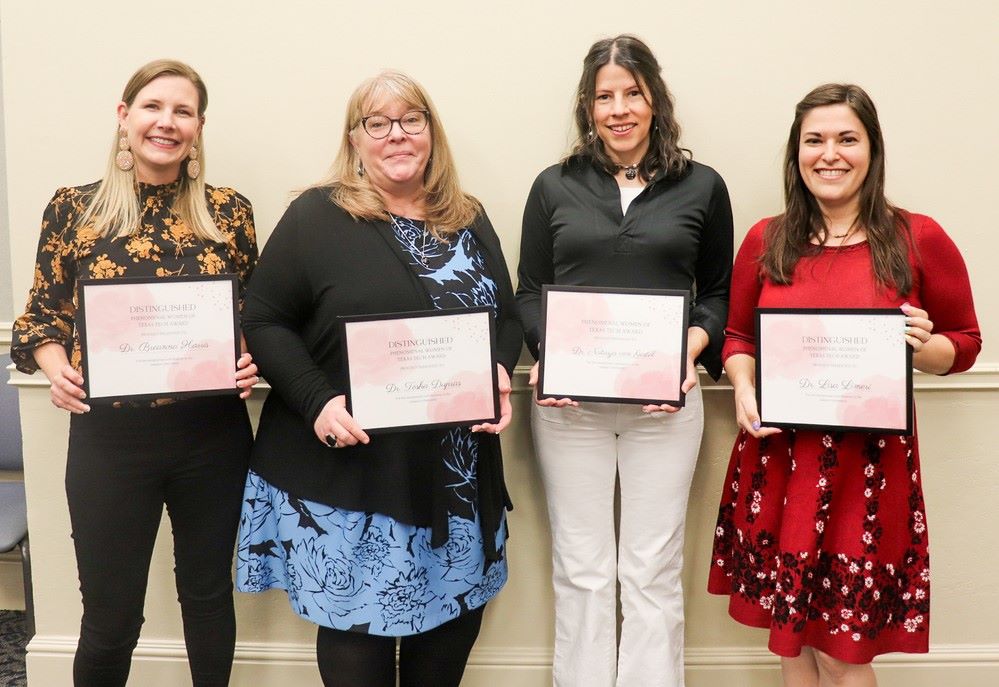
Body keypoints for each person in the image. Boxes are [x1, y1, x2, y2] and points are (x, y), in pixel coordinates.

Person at [234, 70, 522, 687]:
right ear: (355, 139)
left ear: (431, 133)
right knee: (357, 639)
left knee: (448, 634)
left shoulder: (467, 217)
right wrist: (316, 402)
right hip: (355, 476)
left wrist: (499, 370)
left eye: (411, 120)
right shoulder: (318, 215)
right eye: (378, 123)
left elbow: (507, 314)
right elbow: (263, 317)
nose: (396, 135)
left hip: (456, 475)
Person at [708, 84, 982, 686]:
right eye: (815, 140)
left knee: (841, 647)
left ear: (871, 150)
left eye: (846, 139)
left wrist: (923, 343)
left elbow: (963, 345)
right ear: (796, 153)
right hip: (778, 462)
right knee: (792, 645)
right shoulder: (765, 239)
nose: (830, 154)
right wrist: (744, 389)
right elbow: (736, 337)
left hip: (868, 473)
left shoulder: (919, 237)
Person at [11, 59, 259, 686]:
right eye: (153, 107)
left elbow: (255, 316)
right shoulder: (74, 210)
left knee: (207, 598)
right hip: (110, 443)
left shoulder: (230, 213)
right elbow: (39, 319)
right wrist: (55, 364)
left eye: (183, 111)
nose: (166, 123)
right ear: (125, 116)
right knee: (110, 619)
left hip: (213, 439)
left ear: (199, 127)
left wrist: (251, 354)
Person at [516, 35, 733, 687]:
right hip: (569, 410)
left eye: (631, 93)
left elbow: (718, 294)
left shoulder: (702, 186)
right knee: (581, 569)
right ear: (587, 107)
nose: (618, 109)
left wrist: (684, 352)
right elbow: (528, 291)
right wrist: (550, 358)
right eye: (603, 96)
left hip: (664, 407)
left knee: (651, 569)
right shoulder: (553, 186)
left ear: (654, 100)